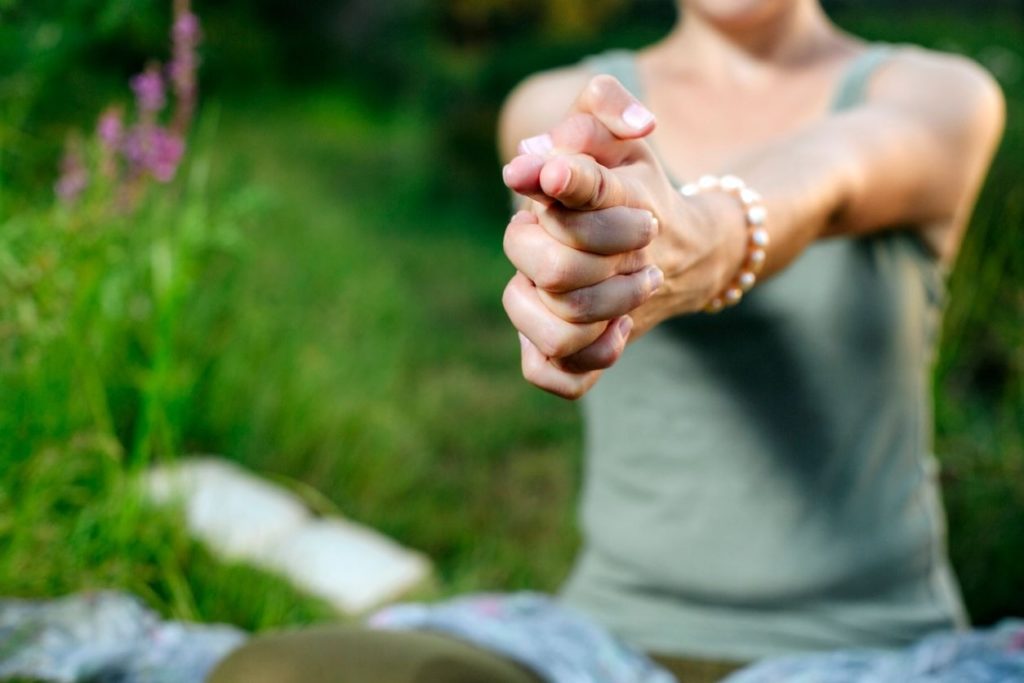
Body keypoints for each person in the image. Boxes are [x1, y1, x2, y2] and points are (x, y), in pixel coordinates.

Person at [209, 0, 1005, 681]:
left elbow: (834, 170)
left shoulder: (938, 93)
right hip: (600, 644)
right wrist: (576, 261)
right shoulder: (559, 107)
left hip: (871, 648)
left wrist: (706, 233)